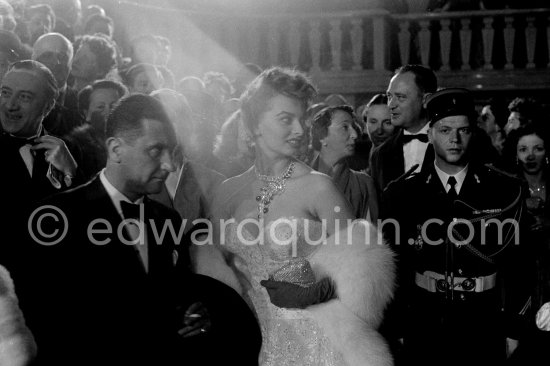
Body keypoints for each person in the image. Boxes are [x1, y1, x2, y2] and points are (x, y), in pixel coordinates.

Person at [194, 67, 395, 365]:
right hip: (243, 342)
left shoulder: (319, 188)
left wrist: (309, 290)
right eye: (286, 119)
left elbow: (361, 277)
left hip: (313, 346)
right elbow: (214, 279)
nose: (300, 130)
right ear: (255, 123)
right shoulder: (227, 192)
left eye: (301, 119)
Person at [18, 94, 216, 365]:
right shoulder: (55, 218)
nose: (169, 165)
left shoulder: (166, 220)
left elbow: (174, 302)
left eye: (172, 151)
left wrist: (195, 317)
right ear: (115, 149)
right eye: (155, 151)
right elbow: (41, 323)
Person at [381, 88, 533, 366]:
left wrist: (515, 329)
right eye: (444, 130)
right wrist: (397, 327)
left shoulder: (504, 189)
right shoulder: (402, 193)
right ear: (430, 133)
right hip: (423, 326)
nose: (454, 139)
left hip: (484, 324)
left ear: (473, 133)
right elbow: (393, 266)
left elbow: (520, 266)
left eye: (463, 130)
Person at [370, 64, 437, 193]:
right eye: (390, 96)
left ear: (425, 99)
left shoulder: (459, 143)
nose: (390, 105)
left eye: (400, 97)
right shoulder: (380, 154)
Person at [310, 105, 378, 221]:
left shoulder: (364, 184)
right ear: (322, 136)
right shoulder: (300, 180)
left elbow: (372, 234)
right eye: (345, 127)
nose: (355, 135)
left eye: (354, 127)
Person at [65, 79, 128, 181]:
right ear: (85, 113)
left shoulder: (132, 140)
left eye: (114, 106)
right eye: (100, 107)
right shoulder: (74, 146)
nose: (109, 112)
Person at [32, 32, 80, 136]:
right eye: (47, 55)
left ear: (70, 63)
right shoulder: (19, 96)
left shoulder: (81, 103)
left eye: (62, 56)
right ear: (34, 61)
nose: (56, 62)